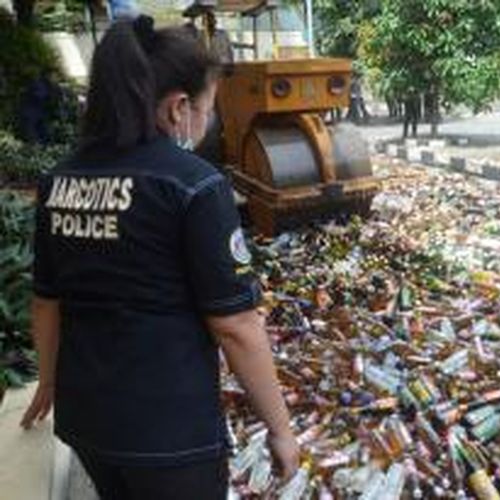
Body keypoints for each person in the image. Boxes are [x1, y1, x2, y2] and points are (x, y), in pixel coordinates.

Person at [21, 16, 299, 499]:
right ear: (178, 108)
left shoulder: (58, 181)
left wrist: (49, 382)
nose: (209, 121)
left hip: (87, 420)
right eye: (209, 108)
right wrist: (280, 427)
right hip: (170, 435)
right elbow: (236, 325)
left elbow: (46, 302)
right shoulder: (194, 186)